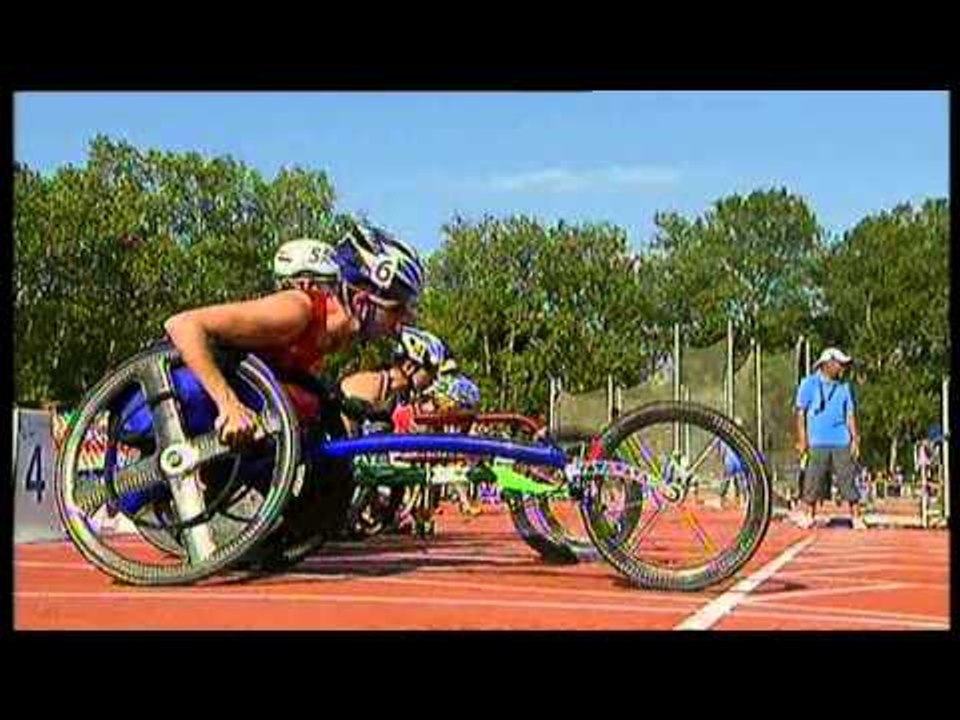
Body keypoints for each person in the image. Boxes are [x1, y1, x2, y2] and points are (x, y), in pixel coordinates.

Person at [163, 218, 425, 561]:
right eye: (398, 309)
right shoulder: (297, 309)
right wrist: (228, 404)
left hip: (254, 416)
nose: (403, 322)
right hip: (186, 395)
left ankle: (270, 537)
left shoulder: (334, 336)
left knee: (332, 463)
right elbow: (183, 324)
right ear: (365, 298)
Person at [792, 346, 865, 530]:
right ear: (828, 364)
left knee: (847, 478)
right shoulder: (808, 384)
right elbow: (801, 413)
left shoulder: (844, 387)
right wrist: (803, 439)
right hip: (817, 441)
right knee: (813, 479)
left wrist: (855, 439)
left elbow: (850, 414)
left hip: (841, 440)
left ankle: (856, 516)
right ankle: (809, 514)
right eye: (840, 364)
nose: (842, 368)